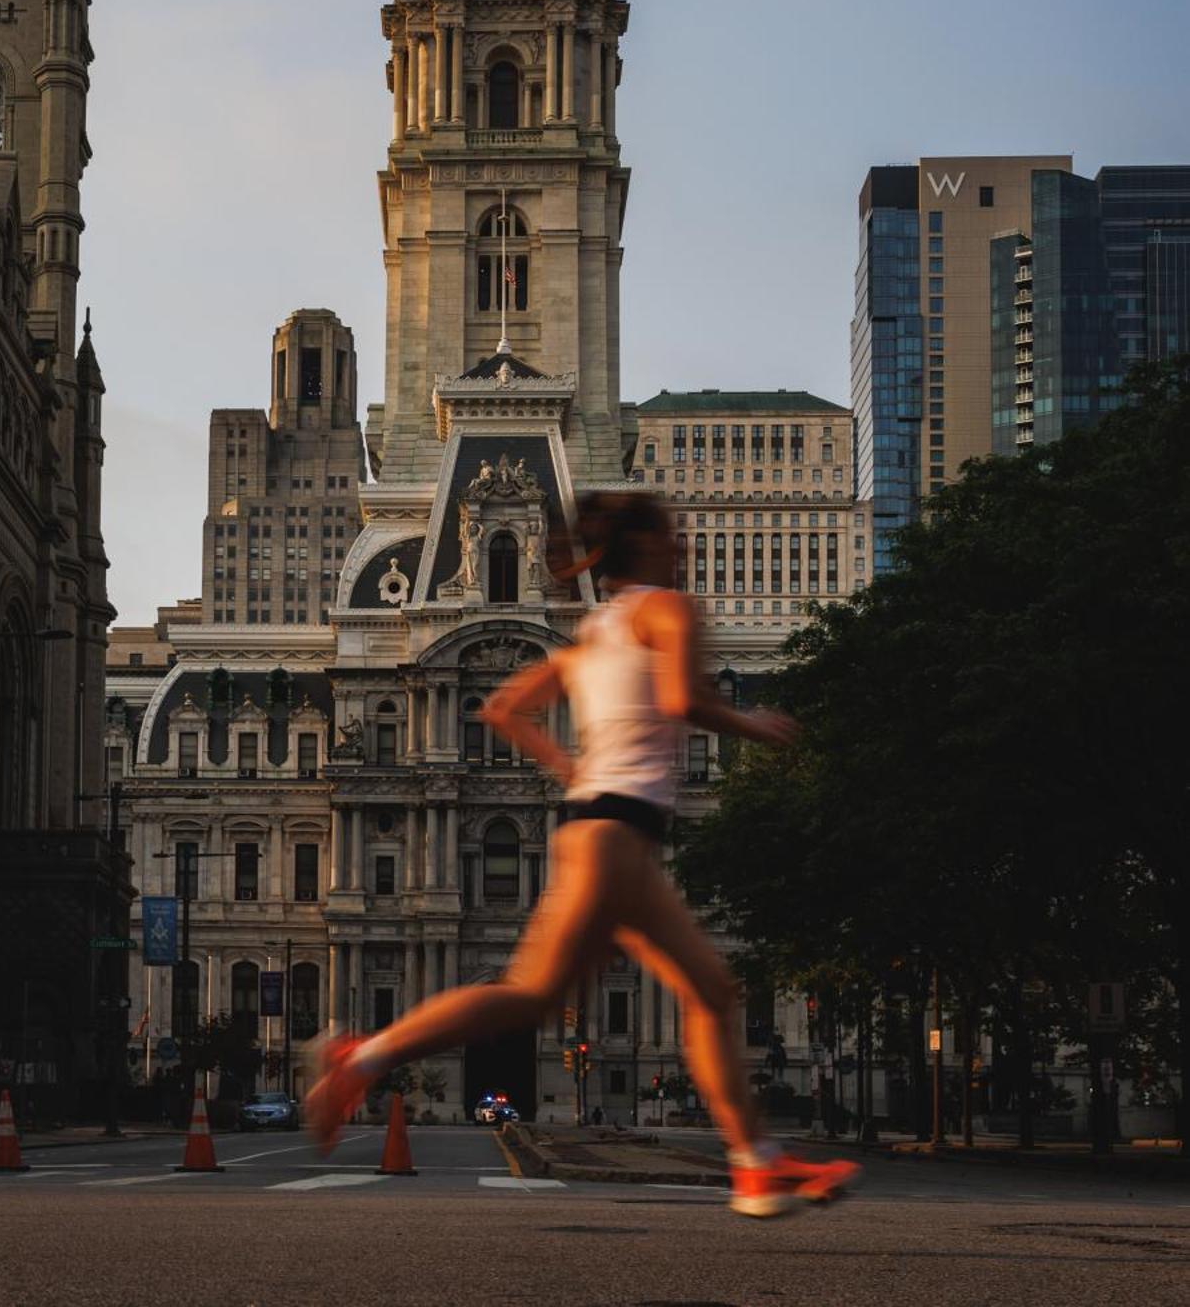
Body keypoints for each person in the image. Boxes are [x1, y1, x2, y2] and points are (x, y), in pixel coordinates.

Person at [307, 491, 860, 1220]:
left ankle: (755, 1166)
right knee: (677, 992)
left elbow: (504, 709)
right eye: (674, 536)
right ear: (652, 549)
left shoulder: (597, 631)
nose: (685, 546)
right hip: (620, 832)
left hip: (595, 825)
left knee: (637, 992)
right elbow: (679, 698)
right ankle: (365, 1057)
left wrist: (571, 770)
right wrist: (749, 722)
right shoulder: (666, 611)